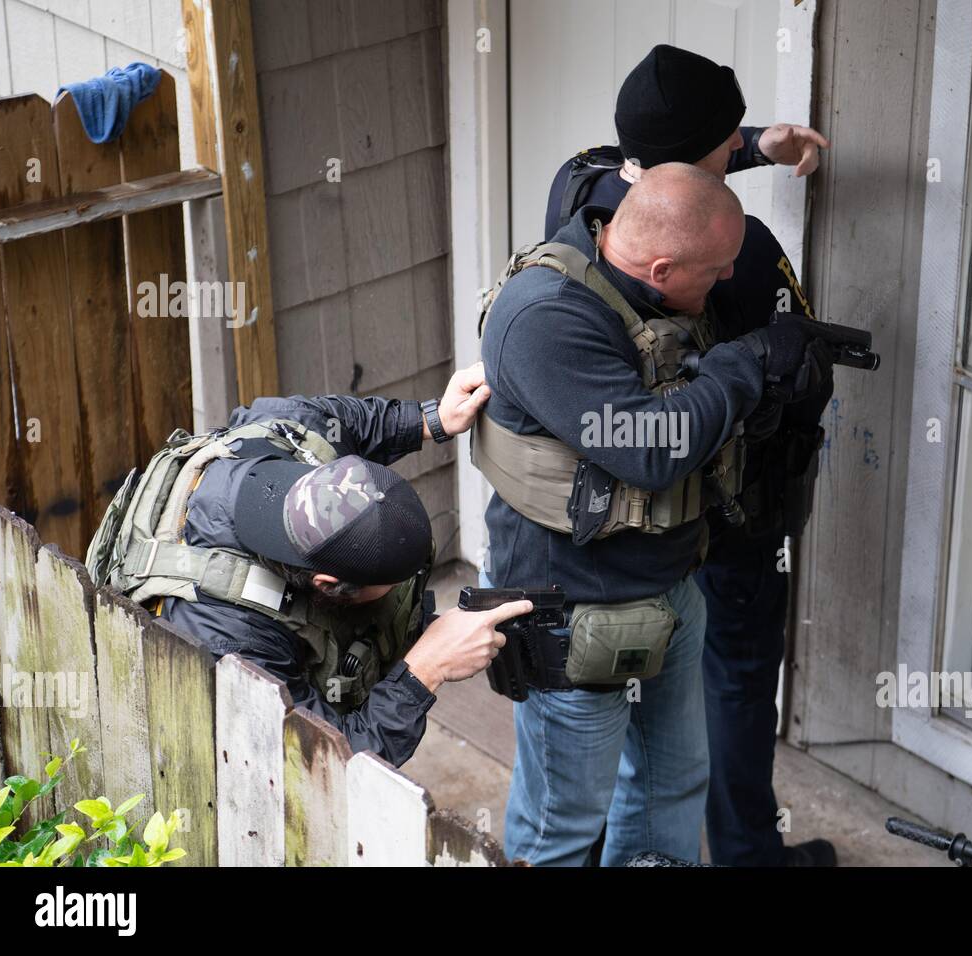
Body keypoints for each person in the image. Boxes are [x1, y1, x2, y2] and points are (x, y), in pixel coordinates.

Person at [475, 163, 826, 865]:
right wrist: (746, 361)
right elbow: (651, 445)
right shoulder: (545, 316)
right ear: (662, 266)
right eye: (719, 270)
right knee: (563, 826)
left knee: (670, 790)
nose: (728, 282)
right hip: (569, 610)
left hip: (667, 587)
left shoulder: (650, 287)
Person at [545, 44, 837, 866]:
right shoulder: (738, 255)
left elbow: (661, 169)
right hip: (730, 513)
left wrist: (751, 144)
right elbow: (791, 386)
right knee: (736, 674)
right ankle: (748, 853)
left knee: (637, 685)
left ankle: (615, 842)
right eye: (727, 142)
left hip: (617, 524)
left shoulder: (583, 188)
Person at [87, 363, 532, 767]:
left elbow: (345, 420)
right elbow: (323, 764)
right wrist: (427, 669)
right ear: (328, 585)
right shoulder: (228, 637)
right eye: (390, 586)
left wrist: (429, 420)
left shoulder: (288, 431)